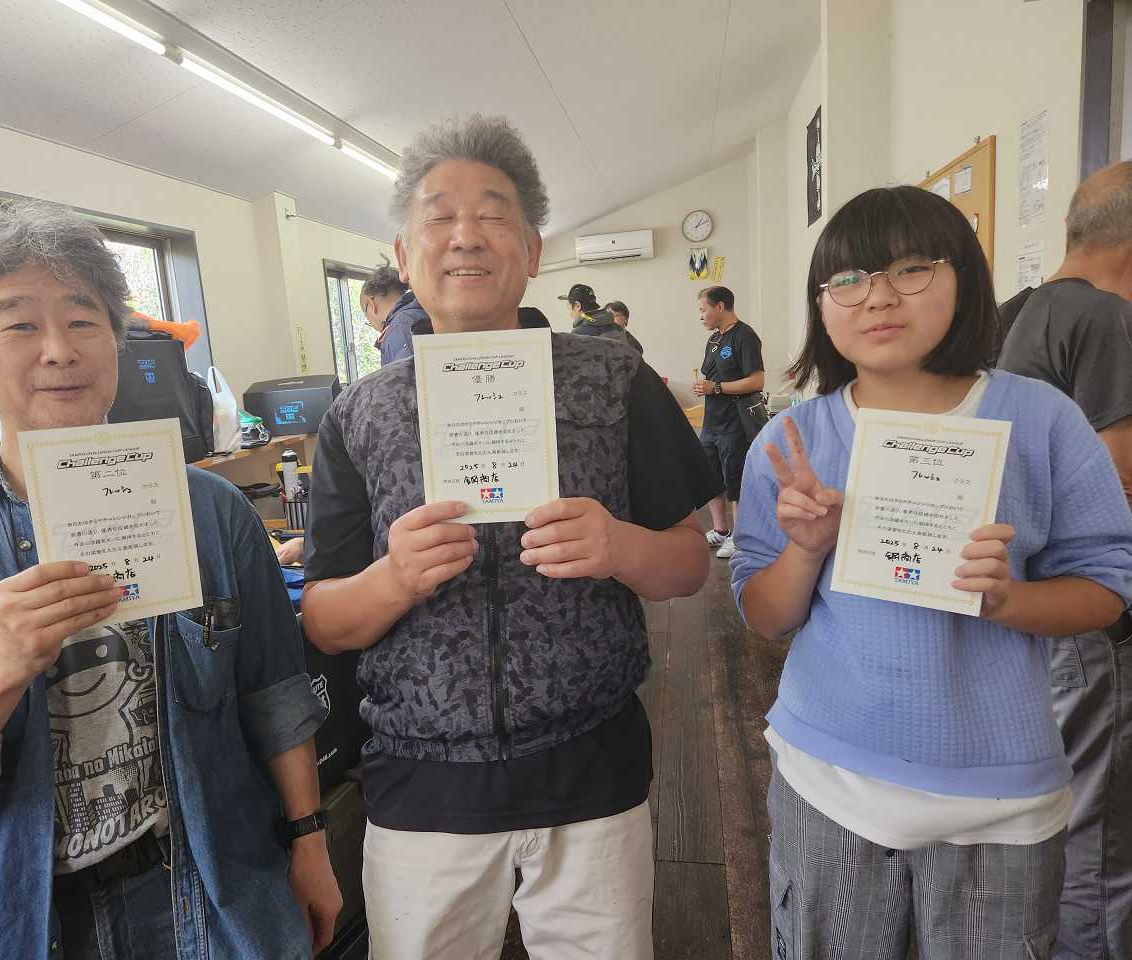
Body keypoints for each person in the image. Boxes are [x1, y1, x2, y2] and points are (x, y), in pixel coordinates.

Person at [0, 200, 341, 960]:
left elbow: (273, 693)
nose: (59, 350)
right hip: (26, 925)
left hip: (217, 900)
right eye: (19, 325)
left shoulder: (212, 511)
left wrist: (310, 842)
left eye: (83, 320)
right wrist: (4, 663)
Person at [299, 114, 717, 960]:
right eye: (440, 218)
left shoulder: (613, 377)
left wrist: (620, 547)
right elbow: (324, 619)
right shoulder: (359, 414)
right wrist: (393, 578)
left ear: (531, 250)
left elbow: (690, 564)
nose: (466, 237)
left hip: (590, 773)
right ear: (404, 252)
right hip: (423, 790)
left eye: (493, 215)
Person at [733, 185, 1132, 959]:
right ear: (822, 304)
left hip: (999, 802)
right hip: (827, 784)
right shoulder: (793, 441)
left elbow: (1105, 588)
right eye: (847, 279)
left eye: (912, 269)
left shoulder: (1040, 419)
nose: (878, 297)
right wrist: (807, 548)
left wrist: (1008, 599)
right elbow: (765, 615)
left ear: (965, 279)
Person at [998, 159, 1132, 960]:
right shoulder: (1107, 319)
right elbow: (1119, 479)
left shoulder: (1011, 312)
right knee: (1102, 836)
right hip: (1085, 614)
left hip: (1020, 610)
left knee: (1057, 807)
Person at [692, 285, 764, 559]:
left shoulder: (745, 336)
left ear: (720, 306)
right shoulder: (713, 340)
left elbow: (757, 380)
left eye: (704, 309)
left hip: (736, 422)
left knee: (735, 480)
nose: (701, 316)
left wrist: (717, 388)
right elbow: (713, 379)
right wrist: (706, 388)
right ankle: (721, 530)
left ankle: (740, 538)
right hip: (712, 422)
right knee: (710, 477)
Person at [360, 263, 427, 366]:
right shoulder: (422, 311)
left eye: (366, 316)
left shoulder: (400, 327)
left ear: (371, 304)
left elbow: (407, 374)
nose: (370, 322)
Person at [559, 282, 638, 350]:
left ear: (577, 306)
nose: (570, 313)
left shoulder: (579, 333)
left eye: (569, 307)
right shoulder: (617, 328)